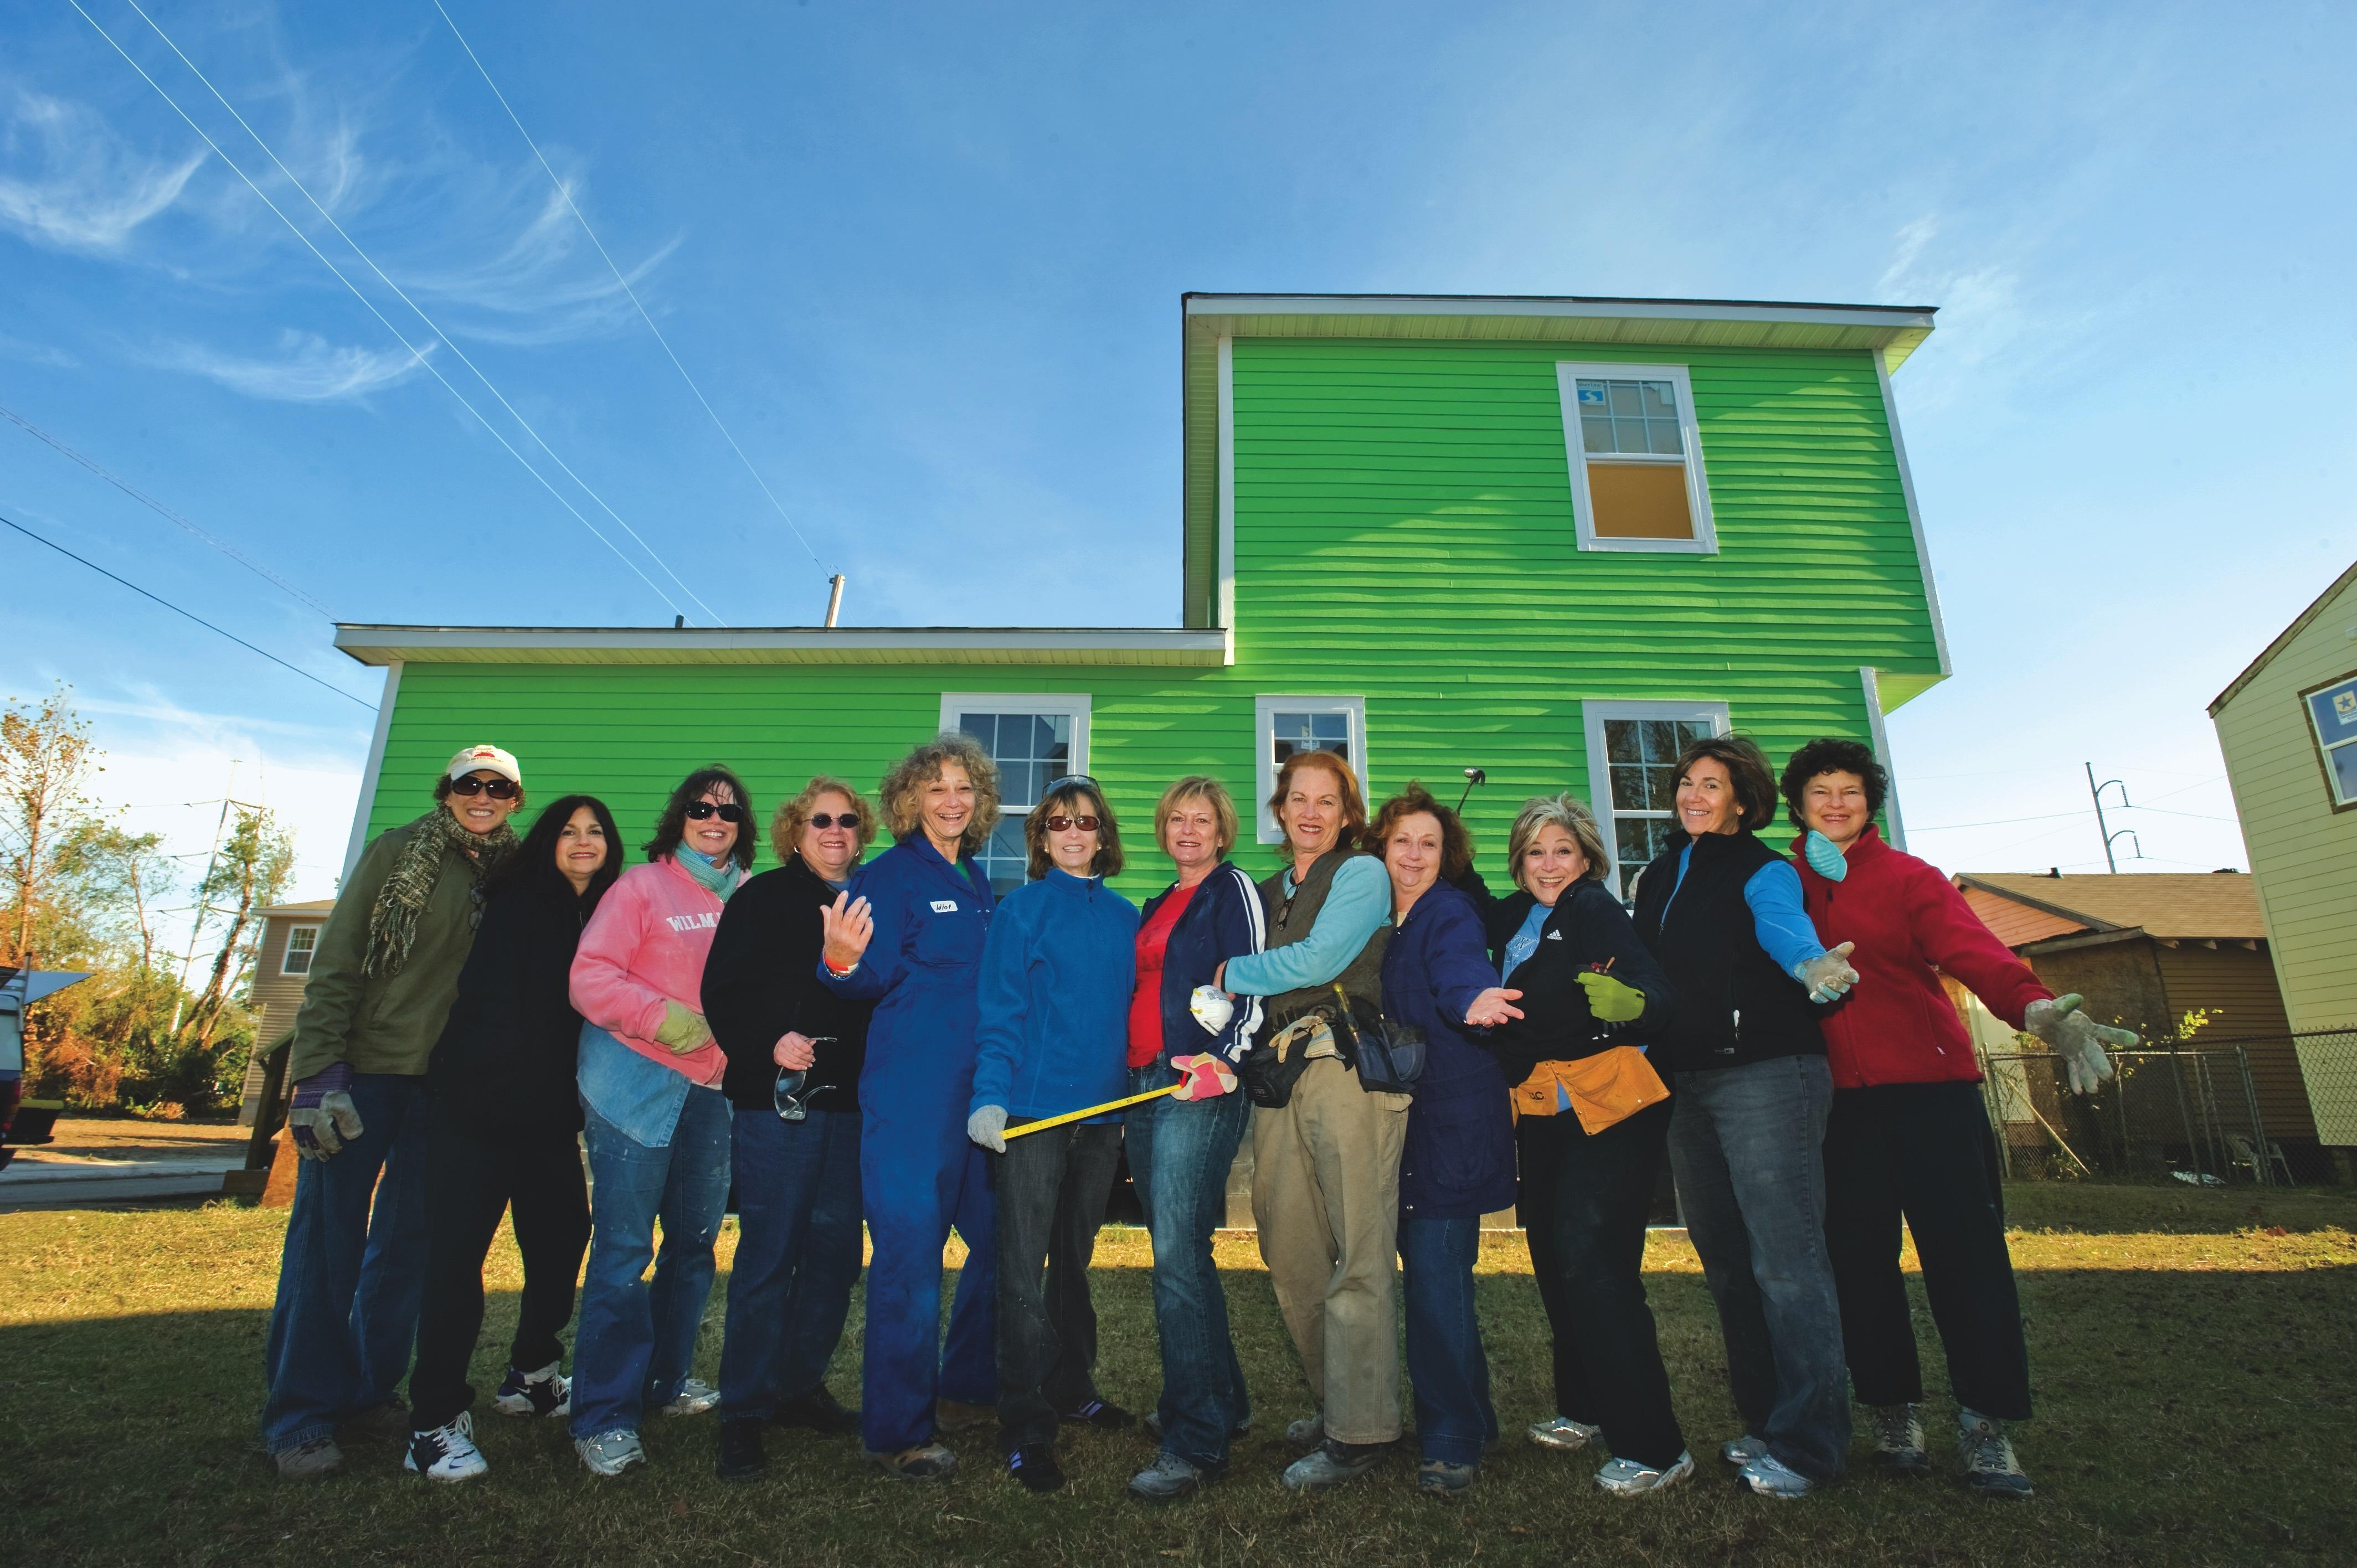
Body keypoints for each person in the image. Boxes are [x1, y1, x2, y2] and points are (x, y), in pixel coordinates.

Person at [1782, 737, 2133, 1499]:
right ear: (1798, 805)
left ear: (1870, 802)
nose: (1836, 804)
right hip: (1838, 1108)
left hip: (1932, 1097)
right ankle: (1894, 1415)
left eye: (1849, 790)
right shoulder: (1782, 885)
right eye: (1821, 792)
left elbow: (1974, 952)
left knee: (1966, 1262)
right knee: (1859, 1266)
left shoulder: (1911, 879)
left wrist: (2038, 1009)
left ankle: (1985, 1425)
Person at [261, 744, 524, 1480]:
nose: (483, 796)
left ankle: (368, 1392)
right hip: (366, 1076)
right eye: (470, 784)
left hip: (444, 1091)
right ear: (447, 791)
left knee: (405, 1250)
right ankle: (301, 1416)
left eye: (498, 787)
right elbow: (339, 959)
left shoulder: (510, 875)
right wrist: (317, 1076)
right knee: (328, 1246)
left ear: (515, 800)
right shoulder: (399, 854)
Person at [1629, 733, 1861, 1500]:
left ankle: (1810, 1446)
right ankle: (1767, 1423)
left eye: (1711, 784)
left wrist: (1813, 964)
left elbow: (1782, 928)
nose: (1693, 795)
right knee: (1728, 1262)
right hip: (1688, 1084)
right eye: (1686, 782)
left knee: (1787, 1264)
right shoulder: (1660, 874)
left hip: (1767, 1077)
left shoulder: (1766, 869)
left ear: (1742, 798)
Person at [404, 794, 620, 1481]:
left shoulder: (604, 911)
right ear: (547, 843)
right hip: (477, 1109)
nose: (583, 842)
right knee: (455, 1264)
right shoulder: (523, 901)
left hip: (549, 1118)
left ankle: (531, 1372)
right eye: (568, 831)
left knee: (562, 1240)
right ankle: (432, 1423)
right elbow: (498, 1003)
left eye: (595, 833)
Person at [1483, 793, 1692, 1497]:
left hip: (1610, 1105)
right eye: (1536, 852)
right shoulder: (1513, 918)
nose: (1549, 865)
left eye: (1563, 852)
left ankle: (1656, 1447)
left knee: (1594, 1263)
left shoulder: (1594, 909)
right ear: (1518, 860)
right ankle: (1585, 1406)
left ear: (1586, 858)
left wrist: (1634, 1004)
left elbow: (1656, 989)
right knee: (1552, 1258)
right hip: (1543, 1107)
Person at [1210, 747, 1401, 1493]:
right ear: (1281, 810)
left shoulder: (1360, 874)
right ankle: (1337, 1404)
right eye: (1298, 799)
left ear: (1347, 814)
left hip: (1345, 1063)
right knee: (1288, 1244)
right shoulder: (1263, 891)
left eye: (1328, 801)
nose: (1311, 813)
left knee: (1356, 1247)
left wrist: (1229, 972)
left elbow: (1319, 960)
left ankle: (1363, 1430)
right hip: (1276, 1074)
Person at [816, 734, 1001, 1481]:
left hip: (981, 1101)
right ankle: (900, 1431)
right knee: (909, 1260)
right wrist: (839, 961)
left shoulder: (980, 881)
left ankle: (963, 1385)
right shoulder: (888, 878)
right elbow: (864, 974)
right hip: (910, 1100)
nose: (952, 800)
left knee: (1001, 1243)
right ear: (909, 802)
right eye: (936, 789)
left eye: (964, 788)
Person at [567, 767, 756, 1477]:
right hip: (633, 1085)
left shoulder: (747, 894)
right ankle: (603, 1417)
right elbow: (589, 976)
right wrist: (669, 1021)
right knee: (622, 1254)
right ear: (680, 816)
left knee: (693, 1247)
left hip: (715, 1093)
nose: (715, 819)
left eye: (729, 812)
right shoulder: (640, 887)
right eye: (702, 808)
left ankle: (666, 1380)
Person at [964, 776, 1142, 1493]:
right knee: (1021, 1273)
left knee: (1074, 1261)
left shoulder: (1127, 918)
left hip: (1101, 1121)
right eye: (1061, 823)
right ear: (1041, 836)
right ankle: (1026, 1423)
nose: (1075, 833)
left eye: (1089, 823)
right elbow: (1000, 1010)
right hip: (1034, 1119)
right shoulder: (1022, 913)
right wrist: (990, 1098)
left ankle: (1072, 1386)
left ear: (1104, 836)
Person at [704, 777, 880, 1480]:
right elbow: (721, 990)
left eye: (845, 821)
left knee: (836, 1259)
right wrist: (768, 1040)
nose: (833, 831)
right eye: (819, 821)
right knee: (769, 1258)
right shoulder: (762, 899)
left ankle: (797, 1386)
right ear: (795, 831)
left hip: (850, 1110)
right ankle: (743, 1412)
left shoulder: (867, 904)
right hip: (779, 1105)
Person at [1371, 785, 1526, 1495]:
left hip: (1453, 1122)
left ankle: (1451, 1441)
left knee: (1435, 1280)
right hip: (1410, 1120)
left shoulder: (1447, 914)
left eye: (1428, 844)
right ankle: (1472, 1417)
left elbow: (1459, 968)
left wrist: (1472, 997)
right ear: (1382, 846)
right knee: (1434, 1280)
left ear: (1447, 856)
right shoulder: (1388, 920)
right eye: (1402, 840)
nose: (1413, 855)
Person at [1123, 777, 1265, 1503]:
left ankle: (1194, 1443)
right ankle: (1222, 1402)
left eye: (1201, 820)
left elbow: (1252, 982)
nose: (1187, 830)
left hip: (1196, 1083)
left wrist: (1226, 1059)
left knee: (1176, 1257)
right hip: (1144, 1086)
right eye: (1176, 818)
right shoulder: (1156, 903)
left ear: (1221, 830)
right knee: (1181, 1251)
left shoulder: (1231, 891)